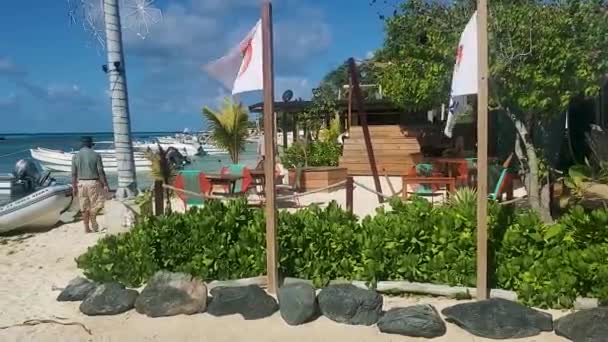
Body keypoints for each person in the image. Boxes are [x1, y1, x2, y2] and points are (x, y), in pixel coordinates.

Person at [71, 136, 109, 233]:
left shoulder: (75, 156)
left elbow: (73, 174)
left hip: (81, 184)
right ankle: (93, 221)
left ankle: (86, 228)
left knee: (84, 207)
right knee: (96, 205)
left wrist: (74, 187)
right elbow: (100, 171)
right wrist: (105, 184)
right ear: (90, 145)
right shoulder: (96, 155)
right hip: (93, 183)